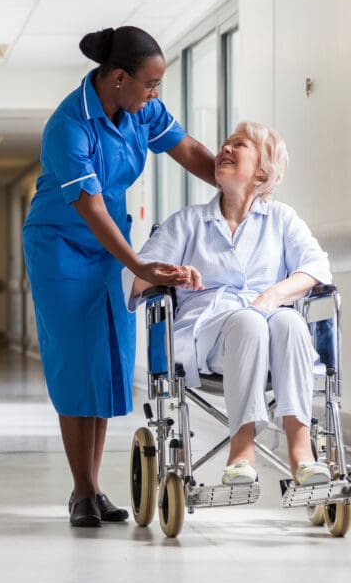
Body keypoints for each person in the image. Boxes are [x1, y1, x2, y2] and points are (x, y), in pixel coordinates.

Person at [22, 26, 218, 527]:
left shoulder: (140, 111)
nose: (156, 94)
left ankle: (93, 488)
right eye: (150, 84)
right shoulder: (69, 124)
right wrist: (137, 264)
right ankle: (82, 491)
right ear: (116, 78)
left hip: (112, 243)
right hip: (62, 245)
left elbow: (187, 148)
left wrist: (233, 178)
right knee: (74, 361)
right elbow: (88, 207)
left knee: (106, 359)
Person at [125, 121, 333, 487]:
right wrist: (168, 275)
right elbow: (135, 278)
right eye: (225, 144)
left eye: (240, 145)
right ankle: (242, 450)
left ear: (262, 172)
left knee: (289, 322)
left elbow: (317, 269)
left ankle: (301, 450)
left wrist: (272, 296)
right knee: (249, 323)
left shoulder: (281, 220)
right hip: (209, 339)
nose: (225, 149)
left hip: (272, 334)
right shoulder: (188, 222)